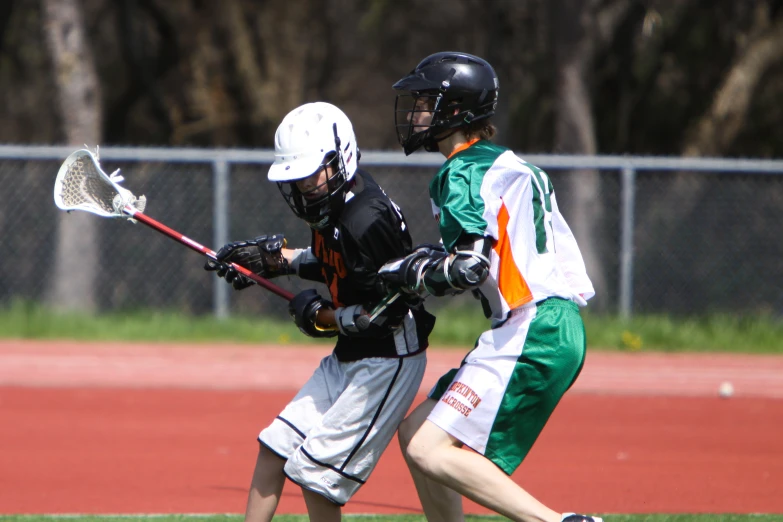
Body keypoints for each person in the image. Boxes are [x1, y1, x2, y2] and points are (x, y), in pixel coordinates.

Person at [379, 51, 601, 522]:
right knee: (415, 431)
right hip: (543, 322)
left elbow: (469, 268)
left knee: (427, 448)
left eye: (425, 102)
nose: (415, 113)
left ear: (454, 110)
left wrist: (413, 274)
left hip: (533, 325)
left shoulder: (460, 171)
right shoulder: (505, 163)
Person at [205, 101, 434, 522]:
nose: (303, 186)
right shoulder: (332, 202)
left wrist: (322, 316)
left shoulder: (366, 218)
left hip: (387, 360)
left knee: (316, 476)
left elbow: (386, 310)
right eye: (295, 178)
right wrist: (279, 261)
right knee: (274, 448)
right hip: (352, 353)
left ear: (339, 157)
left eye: (310, 174)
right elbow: (338, 264)